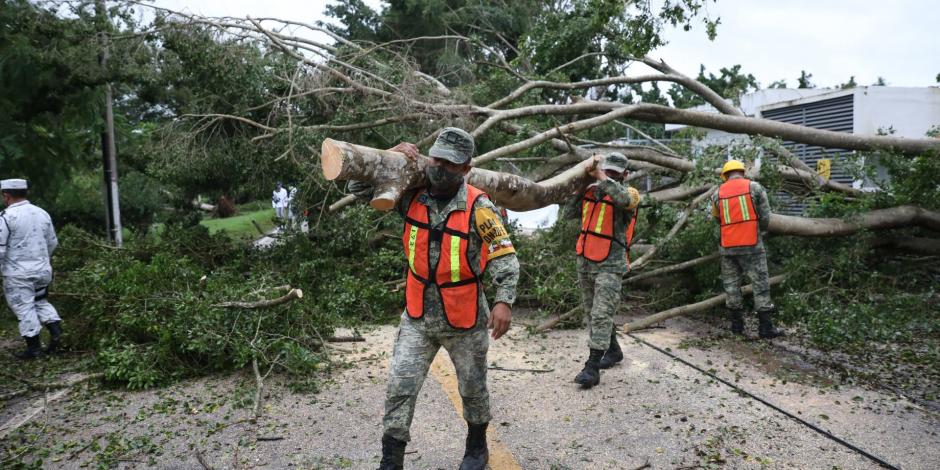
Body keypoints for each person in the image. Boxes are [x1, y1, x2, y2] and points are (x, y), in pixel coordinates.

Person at [349, 127, 519, 470]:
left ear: (466, 168)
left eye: (450, 163)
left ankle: (476, 447)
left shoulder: (479, 206)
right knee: (400, 386)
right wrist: (389, 157)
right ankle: (391, 459)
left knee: (472, 388)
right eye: (437, 159)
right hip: (418, 317)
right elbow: (357, 187)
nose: (440, 167)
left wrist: (503, 301)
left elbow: (505, 255)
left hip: (465, 318)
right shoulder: (411, 195)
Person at [563, 153, 641, 388]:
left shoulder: (631, 194)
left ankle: (592, 367)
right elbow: (567, 214)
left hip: (611, 263)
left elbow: (624, 200)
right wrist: (581, 187)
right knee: (593, 313)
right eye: (609, 171)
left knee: (600, 313)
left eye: (616, 173)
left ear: (625, 174)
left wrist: (602, 178)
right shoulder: (591, 192)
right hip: (586, 261)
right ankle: (614, 351)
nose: (611, 175)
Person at [711, 160, 783, 339]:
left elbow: (717, 219)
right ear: (743, 172)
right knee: (760, 285)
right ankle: (765, 328)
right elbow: (765, 217)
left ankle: (737, 327)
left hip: (728, 247)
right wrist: (761, 230)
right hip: (752, 245)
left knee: (731, 287)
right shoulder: (755, 188)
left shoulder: (717, 194)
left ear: (725, 175)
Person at [0, 179, 62, 359]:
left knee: (24, 307)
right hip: (42, 271)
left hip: (18, 274)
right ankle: (56, 331)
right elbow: (52, 242)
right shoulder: (42, 213)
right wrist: (42, 260)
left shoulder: (6, 217)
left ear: (6, 195)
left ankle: (34, 349)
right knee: (40, 301)